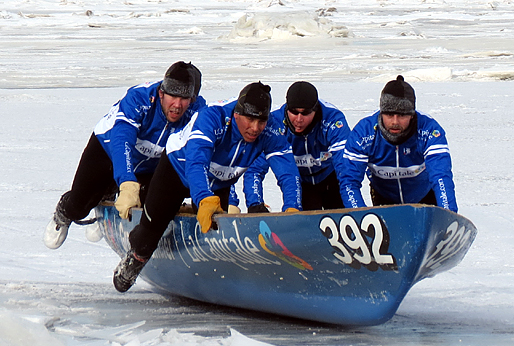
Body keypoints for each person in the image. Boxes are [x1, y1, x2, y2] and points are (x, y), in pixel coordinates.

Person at [112, 81, 302, 293]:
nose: (255, 128)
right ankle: (136, 256)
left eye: (261, 121)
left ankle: (215, 278)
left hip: (219, 180)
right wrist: (203, 198)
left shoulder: (271, 131)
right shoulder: (213, 118)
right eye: (250, 120)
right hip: (178, 170)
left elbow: (288, 172)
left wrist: (293, 208)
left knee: (213, 233)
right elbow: (196, 162)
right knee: (149, 234)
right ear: (237, 114)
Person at [45, 61, 205, 249]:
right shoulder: (139, 98)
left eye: (185, 98)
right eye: (172, 96)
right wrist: (127, 182)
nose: (177, 105)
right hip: (109, 149)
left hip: (151, 164)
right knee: (80, 206)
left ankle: (110, 199)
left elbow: (206, 155)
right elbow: (121, 141)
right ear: (161, 92)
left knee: (149, 209)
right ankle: (64, 213)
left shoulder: (198, 111)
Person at [338, 75, 457, 212]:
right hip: (384, 196)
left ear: (412, 115)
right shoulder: (363, 132)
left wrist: (449, 214)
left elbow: (441, 176)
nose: (395, 121)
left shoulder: (430, 130)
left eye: (401, 115)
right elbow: (349, 182)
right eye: (389, 114)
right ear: (381, 113)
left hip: (424, 195)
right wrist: (360, 218)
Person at [244, 81, 350, 212]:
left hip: (331, 179)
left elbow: (346, 165)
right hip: (301, 182)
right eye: (294, 112)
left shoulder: (333, 120)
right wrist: (255, 204)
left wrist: (354, 208)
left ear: (315, 110)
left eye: (305, 113)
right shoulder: (275, 123)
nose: (299, 119)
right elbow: (255, 168)